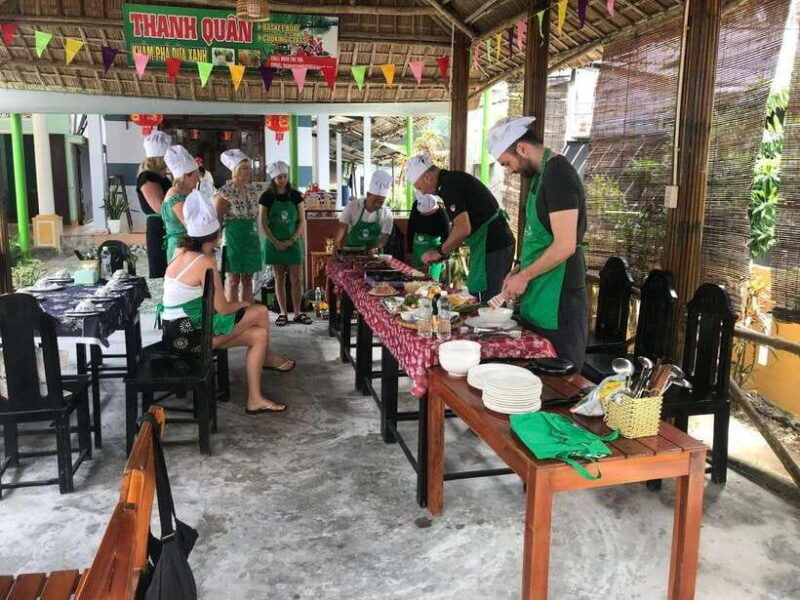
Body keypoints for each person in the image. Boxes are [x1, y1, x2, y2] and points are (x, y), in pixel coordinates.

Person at [158, 188, 293, 415]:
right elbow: (222, 307)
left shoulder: (180, 251)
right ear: (216, 234)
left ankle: (255, 399)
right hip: (190, 335)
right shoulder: (204, 261)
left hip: (174, 330)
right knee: (259, 312)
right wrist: (244, 304)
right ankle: (267, 359)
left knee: (259, 335)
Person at [489, 116, 588, 371]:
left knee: (560, 378)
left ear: (522, 148)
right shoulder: (540, 176)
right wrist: (520, 268)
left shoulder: (558, 175)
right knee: (534, 376)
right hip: (540, 290)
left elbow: (565, 244)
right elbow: (539, 236)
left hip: (559, 296)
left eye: (506, 163)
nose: (509, 170)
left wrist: (526, 275)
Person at [407, 154, 515, 301]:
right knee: (486, 296)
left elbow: (463, 229)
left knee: (490, 299)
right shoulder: (451, 180)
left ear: (427, 178)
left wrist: (439, 251)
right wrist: (445, 252)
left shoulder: (449, 186)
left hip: (492, 245)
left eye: (419, 187)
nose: (422, 193)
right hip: (492, 243)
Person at [259, 161, 311, 327]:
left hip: (293, 242)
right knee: (279, 278)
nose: (282, 180)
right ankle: (282, 313)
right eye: (278, 177)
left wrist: (292, 239)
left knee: (297, 278)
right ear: (273, 178)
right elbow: (263, 223)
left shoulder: (296, 195)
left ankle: (297, 312)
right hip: (274, 243)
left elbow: (302, 221)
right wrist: (275, 241)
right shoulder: (266, 197)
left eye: (284, 176)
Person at [214, 149, 262, 304]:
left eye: (249, 168)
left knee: (248, 279)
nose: (248, 172)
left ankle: (246, 312)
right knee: (233, 279)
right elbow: (218, 219)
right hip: (233, 239)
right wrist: (216, 241)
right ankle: (232, 315)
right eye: (244, 168)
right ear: (235, 170)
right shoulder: (224, 193)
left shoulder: (252, 190)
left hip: (251, 238)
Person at [137, 130, 172, 278]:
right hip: (158, 227)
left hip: (166, 225)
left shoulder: (161, 177)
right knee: (161, 269)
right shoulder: (148, 177)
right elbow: (159, 207)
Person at [335, 170, 394, 255]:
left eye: (381, 202)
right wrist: (337, 243)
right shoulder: (353, 206)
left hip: (374, 255)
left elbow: (385, 236)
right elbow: (342, 226)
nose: (377, 204)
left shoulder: (387, 214)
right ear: (368, 195)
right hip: (352, 253)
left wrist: (377, 248)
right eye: (375, 200)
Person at [162, 145, 201, 263]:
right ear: (185, 176)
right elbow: (190, 225)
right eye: (195, 175)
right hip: (181, 247)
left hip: (187, 245)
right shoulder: (176, 197)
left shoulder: (185, 193)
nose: (198, 179)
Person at [406, 191, 450, 281]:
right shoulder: (416, 205)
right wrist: (409, 250)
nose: (422, 215)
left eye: (426, 214)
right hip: (416, 246)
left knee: (431, 281)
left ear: (434, 210)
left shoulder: (442, 216)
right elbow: (410, 228)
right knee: (416, 278)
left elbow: (447, 239)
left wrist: (439, 254)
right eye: (421, 213)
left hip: (433, 248)